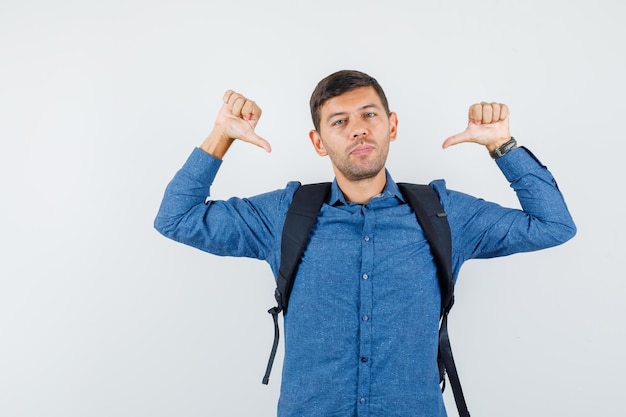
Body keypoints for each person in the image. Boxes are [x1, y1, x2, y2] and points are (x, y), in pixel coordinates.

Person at [154, 70, 576, 417]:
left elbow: (553, 225)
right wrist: (220, 135)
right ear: (318, 142)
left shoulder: (444, 212)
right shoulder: (283, 213)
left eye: (369, 115)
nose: (357, 129)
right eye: (339, 121)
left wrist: (503, 146)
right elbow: (176, 219)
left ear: (391, 125)